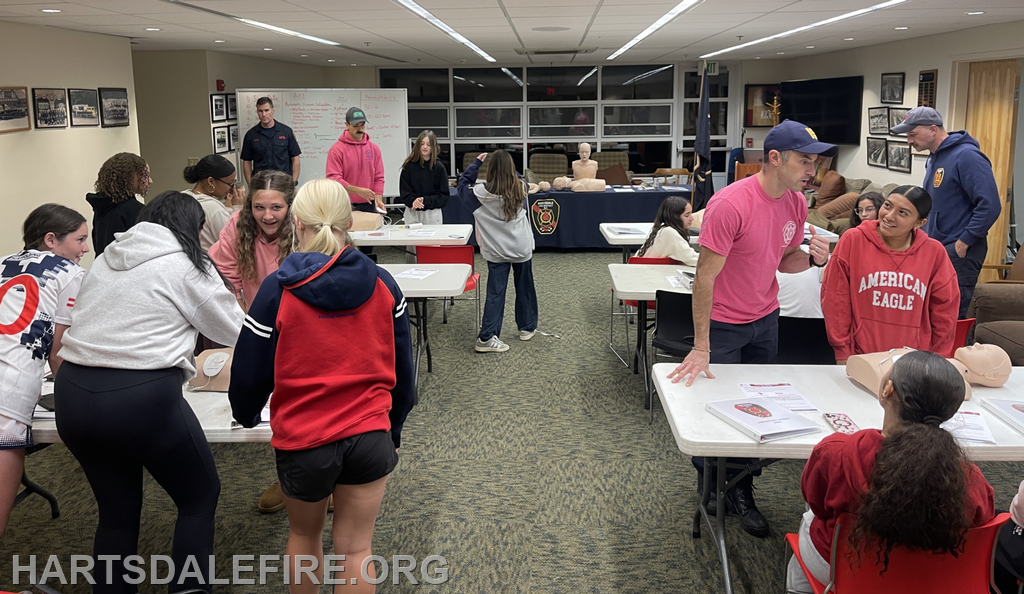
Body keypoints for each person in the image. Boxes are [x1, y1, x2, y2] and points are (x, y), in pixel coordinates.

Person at [229, 178, 413, 592]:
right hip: (369, 434)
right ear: (349, 223)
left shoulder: (277, 289)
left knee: (304, 538)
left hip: (305, 439)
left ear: (297, 222)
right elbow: (403, 373)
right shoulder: (385, 284)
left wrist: (245, 414)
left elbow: (249, 372)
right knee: (355, 551)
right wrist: (393, 429)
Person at [54, 191, 243, 594]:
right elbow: (237, 331)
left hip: (72, 394)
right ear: (192, 228)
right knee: (198, 498)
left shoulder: (106, 258)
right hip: (139, 397)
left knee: (116, 512)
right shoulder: (188, 264)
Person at [668, 120, 837, 537]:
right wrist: (702, 346)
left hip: (765, 319)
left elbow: (784, 260)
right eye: (803, 161)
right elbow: (703, 278)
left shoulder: (796, 203)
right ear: (774, 158)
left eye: (814, 161)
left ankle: (738, 487)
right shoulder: (731, 204)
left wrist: (814, 260)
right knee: (716, 413)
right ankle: (715, 482)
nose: (811, 170)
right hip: (724, 323)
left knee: (755, 410)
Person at [786, 350, 994, 592]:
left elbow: (817, 503)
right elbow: (981, 521)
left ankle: (798, 589)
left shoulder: (836, 453)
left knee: (810, 516)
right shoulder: (970, 480)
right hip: (932, 579)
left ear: (888, 390)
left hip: (850, 570)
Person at [0, 204, 88, 539]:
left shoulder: (4, 262)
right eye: (80, 239)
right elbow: (58, 353)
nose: (86, 248)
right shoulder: (70, 274)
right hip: (9, 389)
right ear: (51, 239)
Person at [821, 185, 959, 363]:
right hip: (859, 356)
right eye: (887, 206)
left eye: (903, 213)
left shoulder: (934, 253)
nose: (889, 216)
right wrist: (842, 351)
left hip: (914, 363)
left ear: (919, 223)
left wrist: (939, 358)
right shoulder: (853, 240)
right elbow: (835, 300)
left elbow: (945, 311)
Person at [891, 106, 1000, 318]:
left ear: (933, 130)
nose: (909, 141)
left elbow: (990, 205)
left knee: (951, 315)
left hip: (959, 250)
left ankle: (958, 352)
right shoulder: (934, 157)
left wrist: (964, 241)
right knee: (931, 313)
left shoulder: (967, 157)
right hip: (938, 246)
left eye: (912, 134)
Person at [457, 151, 538, 353]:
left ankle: (487, 337)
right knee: (525, 288)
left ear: (491, 170)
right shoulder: (521, 188)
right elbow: (520, 178)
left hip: (496, 251)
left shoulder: (478, 194)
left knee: (495, 293)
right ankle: (526, 328)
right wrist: (510, 168)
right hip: (521, 248)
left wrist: (476, 163)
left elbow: (461, 184)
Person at [209, 169, 296, 313]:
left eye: (276, 207)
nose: (267, 216)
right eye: (259, 207)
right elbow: (230, 287)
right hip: (255, 317)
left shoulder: (302, 227)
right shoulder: (238, 225)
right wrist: (246, 326)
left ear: (290, 206)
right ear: (250, 206)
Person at [87, 152, 152, 255]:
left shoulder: (101, 207)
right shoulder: (137, 211)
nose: (150, 181)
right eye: (145, 175)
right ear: (130, 177)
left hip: (102, 266)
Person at [327, 106, 385, 215]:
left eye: (362, 125)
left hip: (369, 204)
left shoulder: (374, 149)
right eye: (355, 126)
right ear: (347, 125)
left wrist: (378, 200)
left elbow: (379, 177)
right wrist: (358, 191)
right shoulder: (337, 149)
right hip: (344, 204)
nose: (360, 129)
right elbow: (333, 179)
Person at [240, 97, 301, 186]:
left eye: (266, 110)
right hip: (261, 183)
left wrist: (294, 182)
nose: (264, 114)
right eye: (260, 111)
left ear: (273, 110)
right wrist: (250, 185)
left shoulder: (286, 131)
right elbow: (247, 162)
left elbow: (295, 158)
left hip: (283, 183)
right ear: (257, 112)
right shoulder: (251, 135)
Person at [181, 154, 237, 250]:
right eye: (230, 183)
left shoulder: (181, 197)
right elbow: (235, 244)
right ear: (211, 181)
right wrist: (237, 208)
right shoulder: (214, 210)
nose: (232, 188)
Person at [399, 129, 448, 225]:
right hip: (412, 212)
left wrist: (425, 200)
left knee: (431, 240)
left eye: (428, 144)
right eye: (422, 144)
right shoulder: (409, 166)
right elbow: (404, 192)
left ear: (433, 147)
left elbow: (443, 196)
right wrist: (413, 200)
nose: (425, 147)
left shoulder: (439, 167)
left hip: (431, 214)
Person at [635, 195, 698, 265]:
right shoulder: (669, 232)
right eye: (687, 215)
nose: (692, 218)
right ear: (675, 217)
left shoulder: (662, 229)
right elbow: (692, 258)